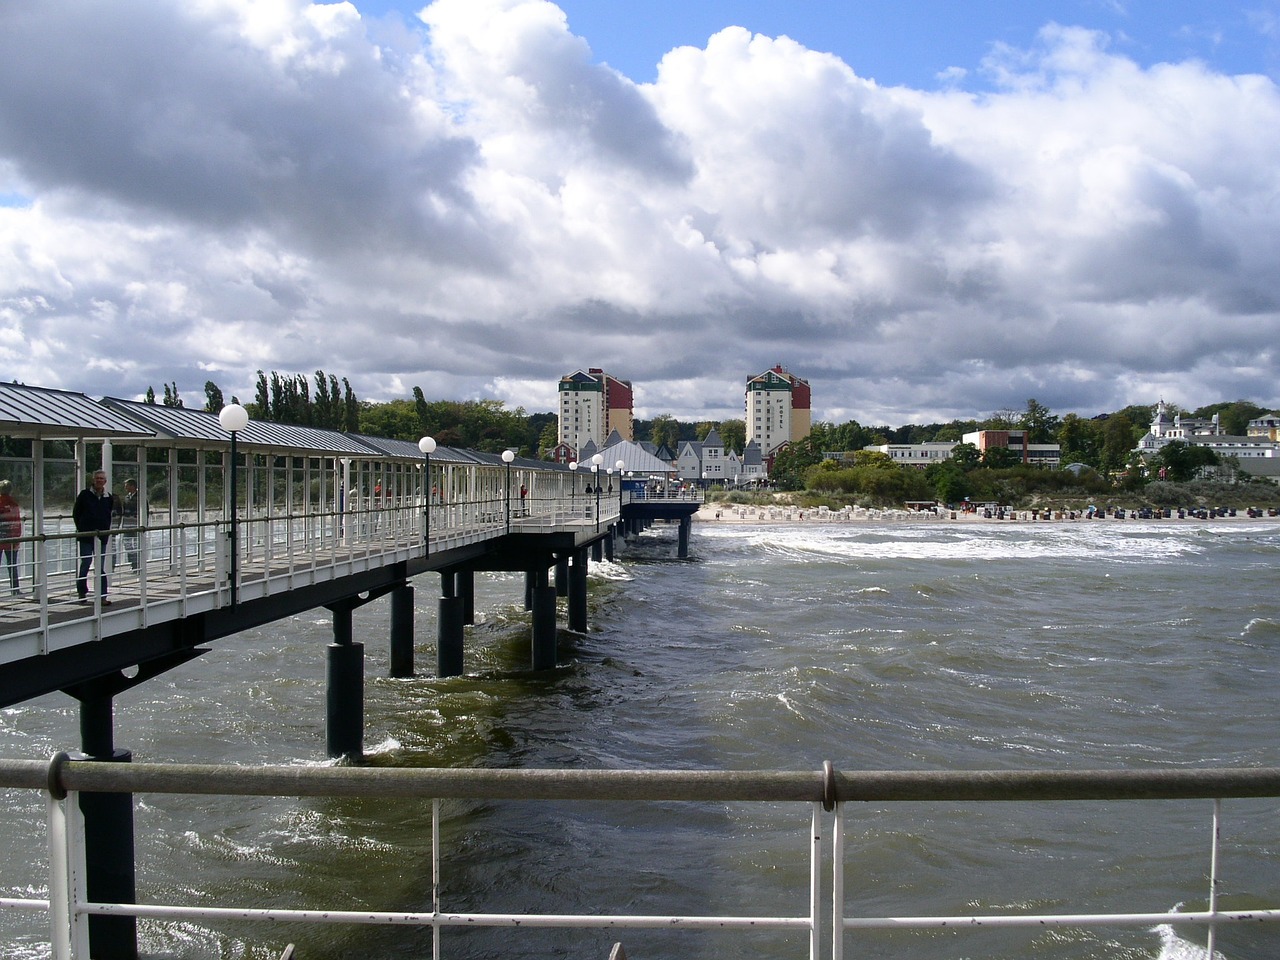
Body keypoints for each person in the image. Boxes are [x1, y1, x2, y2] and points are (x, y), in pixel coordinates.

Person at [73, 470, 117, 603]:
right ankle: (82, 592)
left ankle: (102, 596)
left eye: (101, 478)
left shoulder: (108, 498)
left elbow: (108, 515)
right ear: (93, 480)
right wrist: (82, 528)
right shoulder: (85, 495)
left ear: (105, 481)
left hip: (101, 537)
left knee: (100, 566)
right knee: (85, 563)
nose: (99, 480)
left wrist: (105, 530)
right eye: (97, 478)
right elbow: (76, 513)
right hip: (86, 536)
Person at [0, 480, 21, 594]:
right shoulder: (14, 504)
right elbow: (17, 522)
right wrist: (17, 538)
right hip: (12, 538)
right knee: (12, 565)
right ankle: (15, 589)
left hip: (0, 538)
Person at [118, 478, 140, 571]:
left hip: (136, 525)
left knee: (136, 545)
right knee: (127, 544)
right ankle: (133, 563)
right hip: (126, 525)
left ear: (132, 486)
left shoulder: (140, 497)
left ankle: (137, 564)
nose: (125, 488)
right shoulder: (126, 497)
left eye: (127, 486)